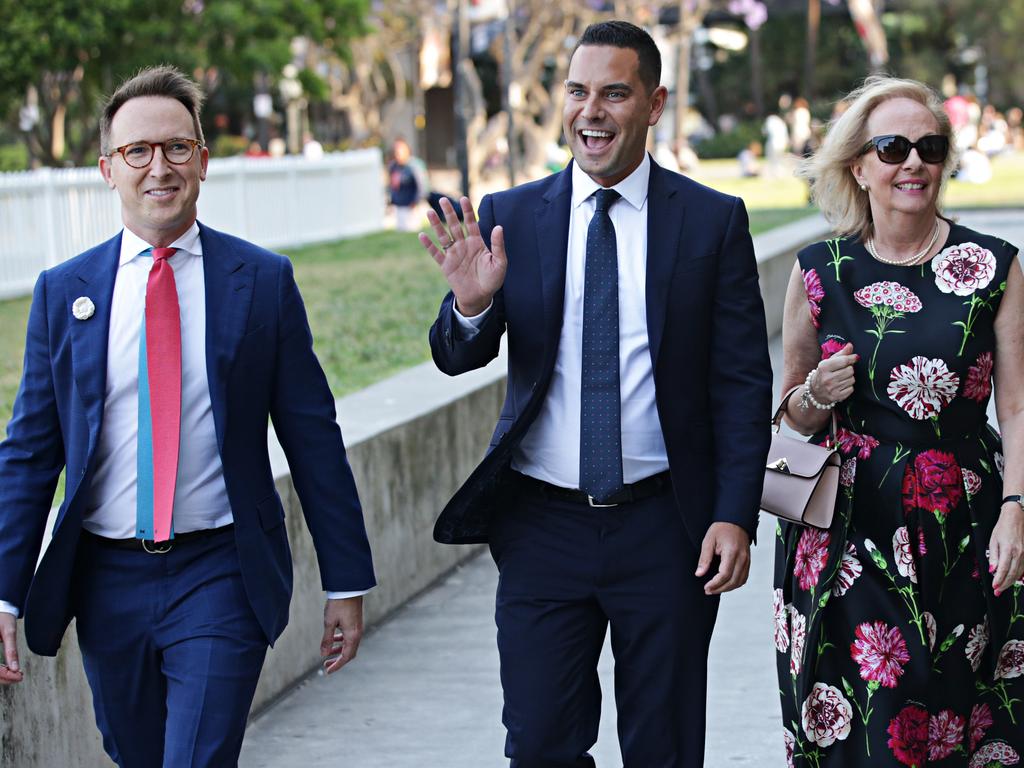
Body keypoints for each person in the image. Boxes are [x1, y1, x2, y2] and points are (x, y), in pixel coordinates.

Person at [0, 66, 376, 767]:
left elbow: (313, 437)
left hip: (220, 569)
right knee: (133, 751)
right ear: (108, 169)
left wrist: (345, 579)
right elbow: (29, 452)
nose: (159, 167)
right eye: (137, 151)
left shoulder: (261, 283)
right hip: (105, 578)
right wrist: (4, 589)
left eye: (177, 147)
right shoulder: (64, 293)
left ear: (203, 160)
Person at [419, 20, 772, 767]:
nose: (592, 111)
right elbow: (456, 356)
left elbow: (741, 385)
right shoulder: (512, 216)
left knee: (664, 747)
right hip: (543, 527)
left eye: (615, 93)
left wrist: (733, 515)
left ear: (654, 103)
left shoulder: (712, 221)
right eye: (578, 92)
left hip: (667, 529)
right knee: (541, 745)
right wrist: (474, 306)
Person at [775, 75, 1024, 767]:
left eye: (929, 146)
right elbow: (790, 414)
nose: (913, 161)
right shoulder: (820, 270)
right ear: (858, 165)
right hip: (848, 532)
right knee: (868, 724)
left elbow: (1018, 405)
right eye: (892, 147)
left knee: (952, 717)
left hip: (963, 526)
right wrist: (819, 394)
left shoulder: (994, 267)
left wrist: (1016, 510)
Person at [388, 137, 423, 231]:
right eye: (396, 152)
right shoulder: (393, 167)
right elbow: (391, 185)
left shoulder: (413, 166)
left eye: (399, 152)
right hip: (399, 205)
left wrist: (416, 201)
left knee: (412, 231)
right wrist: (392, 199)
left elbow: (421, 186)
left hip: (410, 206)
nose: (397, 155)